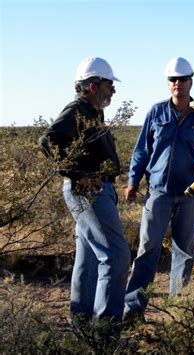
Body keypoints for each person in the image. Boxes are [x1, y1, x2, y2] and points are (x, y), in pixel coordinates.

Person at [124, 57, 194, 318]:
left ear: (191, 81)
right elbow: (141, 150)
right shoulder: (156, 113)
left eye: (182, 79)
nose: (177, 83)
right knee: (147, 250)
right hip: (158, 192)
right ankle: (133, 308)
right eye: (173, 79)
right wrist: (133, 181)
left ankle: (178, 310)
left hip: (190, 192)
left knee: (184, 251)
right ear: (168, 83)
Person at [38, 57, 131, 324]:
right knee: (116, 256)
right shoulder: (77, 110)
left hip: (93, 193)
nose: (113, 90)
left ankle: (82, 330)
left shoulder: (92, 112)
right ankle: (104, 333)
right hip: (88, 194)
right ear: (93, 85)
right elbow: (48, 141)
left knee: (89, 259)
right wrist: (78, 175)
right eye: (109, 84)